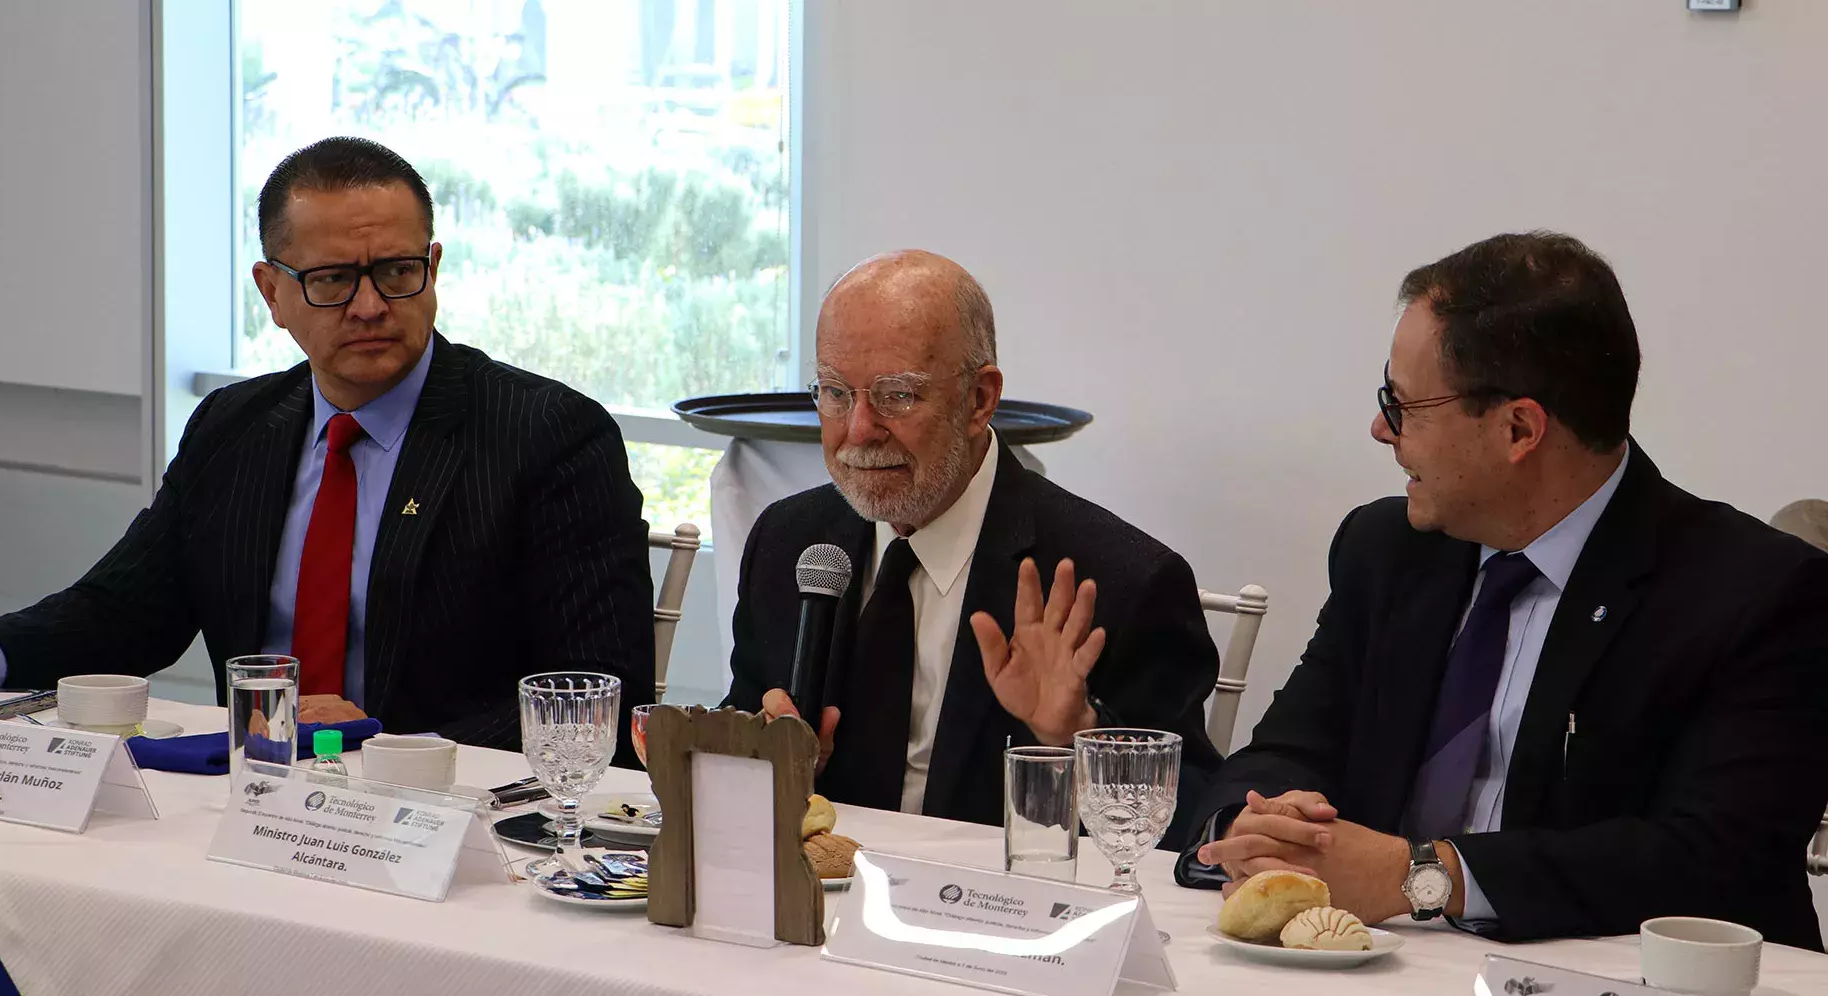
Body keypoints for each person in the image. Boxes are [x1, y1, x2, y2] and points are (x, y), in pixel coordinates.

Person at [1182, 232, 1828, 950]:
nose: (1379, 430)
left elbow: (1714, 859)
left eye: (1403, 407)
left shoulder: (1757, 594)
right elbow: (1290, 746)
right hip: (1385, 974)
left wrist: (1426, 877)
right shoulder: (1389, 549)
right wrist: (1257, 823)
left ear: (1518, 428)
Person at [0, 137, 654, 753]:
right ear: (272, 293)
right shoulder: (234, 427)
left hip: (453, 821)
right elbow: (122, 614)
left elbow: (597, 697)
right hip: (253, 801)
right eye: (333, 280)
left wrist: (378, 745)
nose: (369, 307)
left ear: (433, 268)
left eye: (397, 272)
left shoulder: (548, 434)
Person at [723, 250, 1221, 835]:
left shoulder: (1122, 581)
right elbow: (746, 729)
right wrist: (761, 760)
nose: (858, 430)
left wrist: (1078, 734)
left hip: (1003, 910)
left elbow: (1194, 820)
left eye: (897, 395)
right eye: (835, 393)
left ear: (980, 399)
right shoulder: (790, 544)